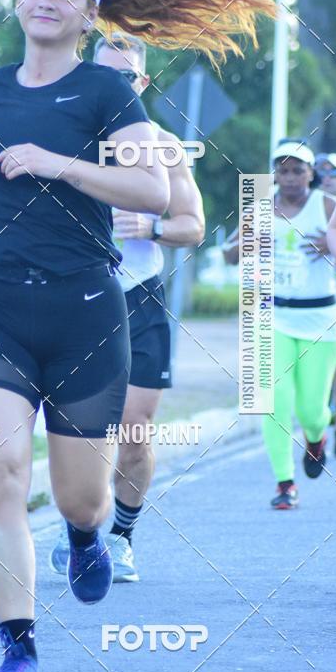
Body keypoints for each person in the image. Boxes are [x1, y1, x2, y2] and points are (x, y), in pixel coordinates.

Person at [0, 0, 274, 672]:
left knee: (79, 498)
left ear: (89, 15)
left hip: (88, 309)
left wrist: (60, 163)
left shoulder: (107, 93)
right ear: (20, 2)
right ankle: (17, 651)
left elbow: (152, 190)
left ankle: (89, 537)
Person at [49, 32, 205, 582]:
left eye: (124, 77)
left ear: (140, 83)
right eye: (101, 73)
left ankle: (123, 536)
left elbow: (194, 225)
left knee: (135, 430)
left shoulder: (161, 144)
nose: (111, 85)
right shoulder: (63, 135)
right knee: (79, 432)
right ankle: (81, 529)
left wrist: (155, 226)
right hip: (76, 300)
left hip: (139, 299)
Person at [226, 140, 336, 509]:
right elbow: (229, 254)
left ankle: (315, 436)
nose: (289, 178)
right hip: (271, 317)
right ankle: (284, 482)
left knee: (311, 408)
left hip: (320, 319)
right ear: (274, 173)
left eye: (298, 170)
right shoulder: (260, 205)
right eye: (282, 170)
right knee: (273, 400)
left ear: (312, 174)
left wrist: (332, 242)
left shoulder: (327, 205)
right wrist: (245, 243)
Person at [314, 152, 336, 457]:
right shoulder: (310, 207)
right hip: (323, 307)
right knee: (330, 373)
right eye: (323, 174)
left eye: (335, 174)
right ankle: (322, 427)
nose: (328, 180)